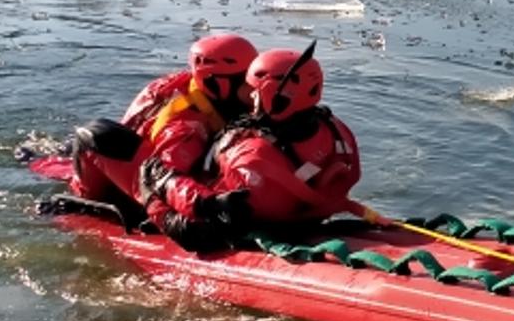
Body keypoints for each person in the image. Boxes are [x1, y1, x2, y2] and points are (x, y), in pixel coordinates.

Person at [144, 45, 361, 251]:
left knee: (150, 176)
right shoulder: (338, 130)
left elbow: (220, 211)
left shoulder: (251, 155)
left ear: (274, 95)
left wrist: (166, 182)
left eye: (255, 91)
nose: (251, 97)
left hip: (239, 224)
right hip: (312, 216)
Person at [66, 33, 258, 225]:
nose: (254, 91)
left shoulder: (200, 89)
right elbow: (164, 178)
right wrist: (209, 204)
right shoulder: (186, 127)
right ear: (215, 83)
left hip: (150, 153)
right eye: (247, 82)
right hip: (145, 176)